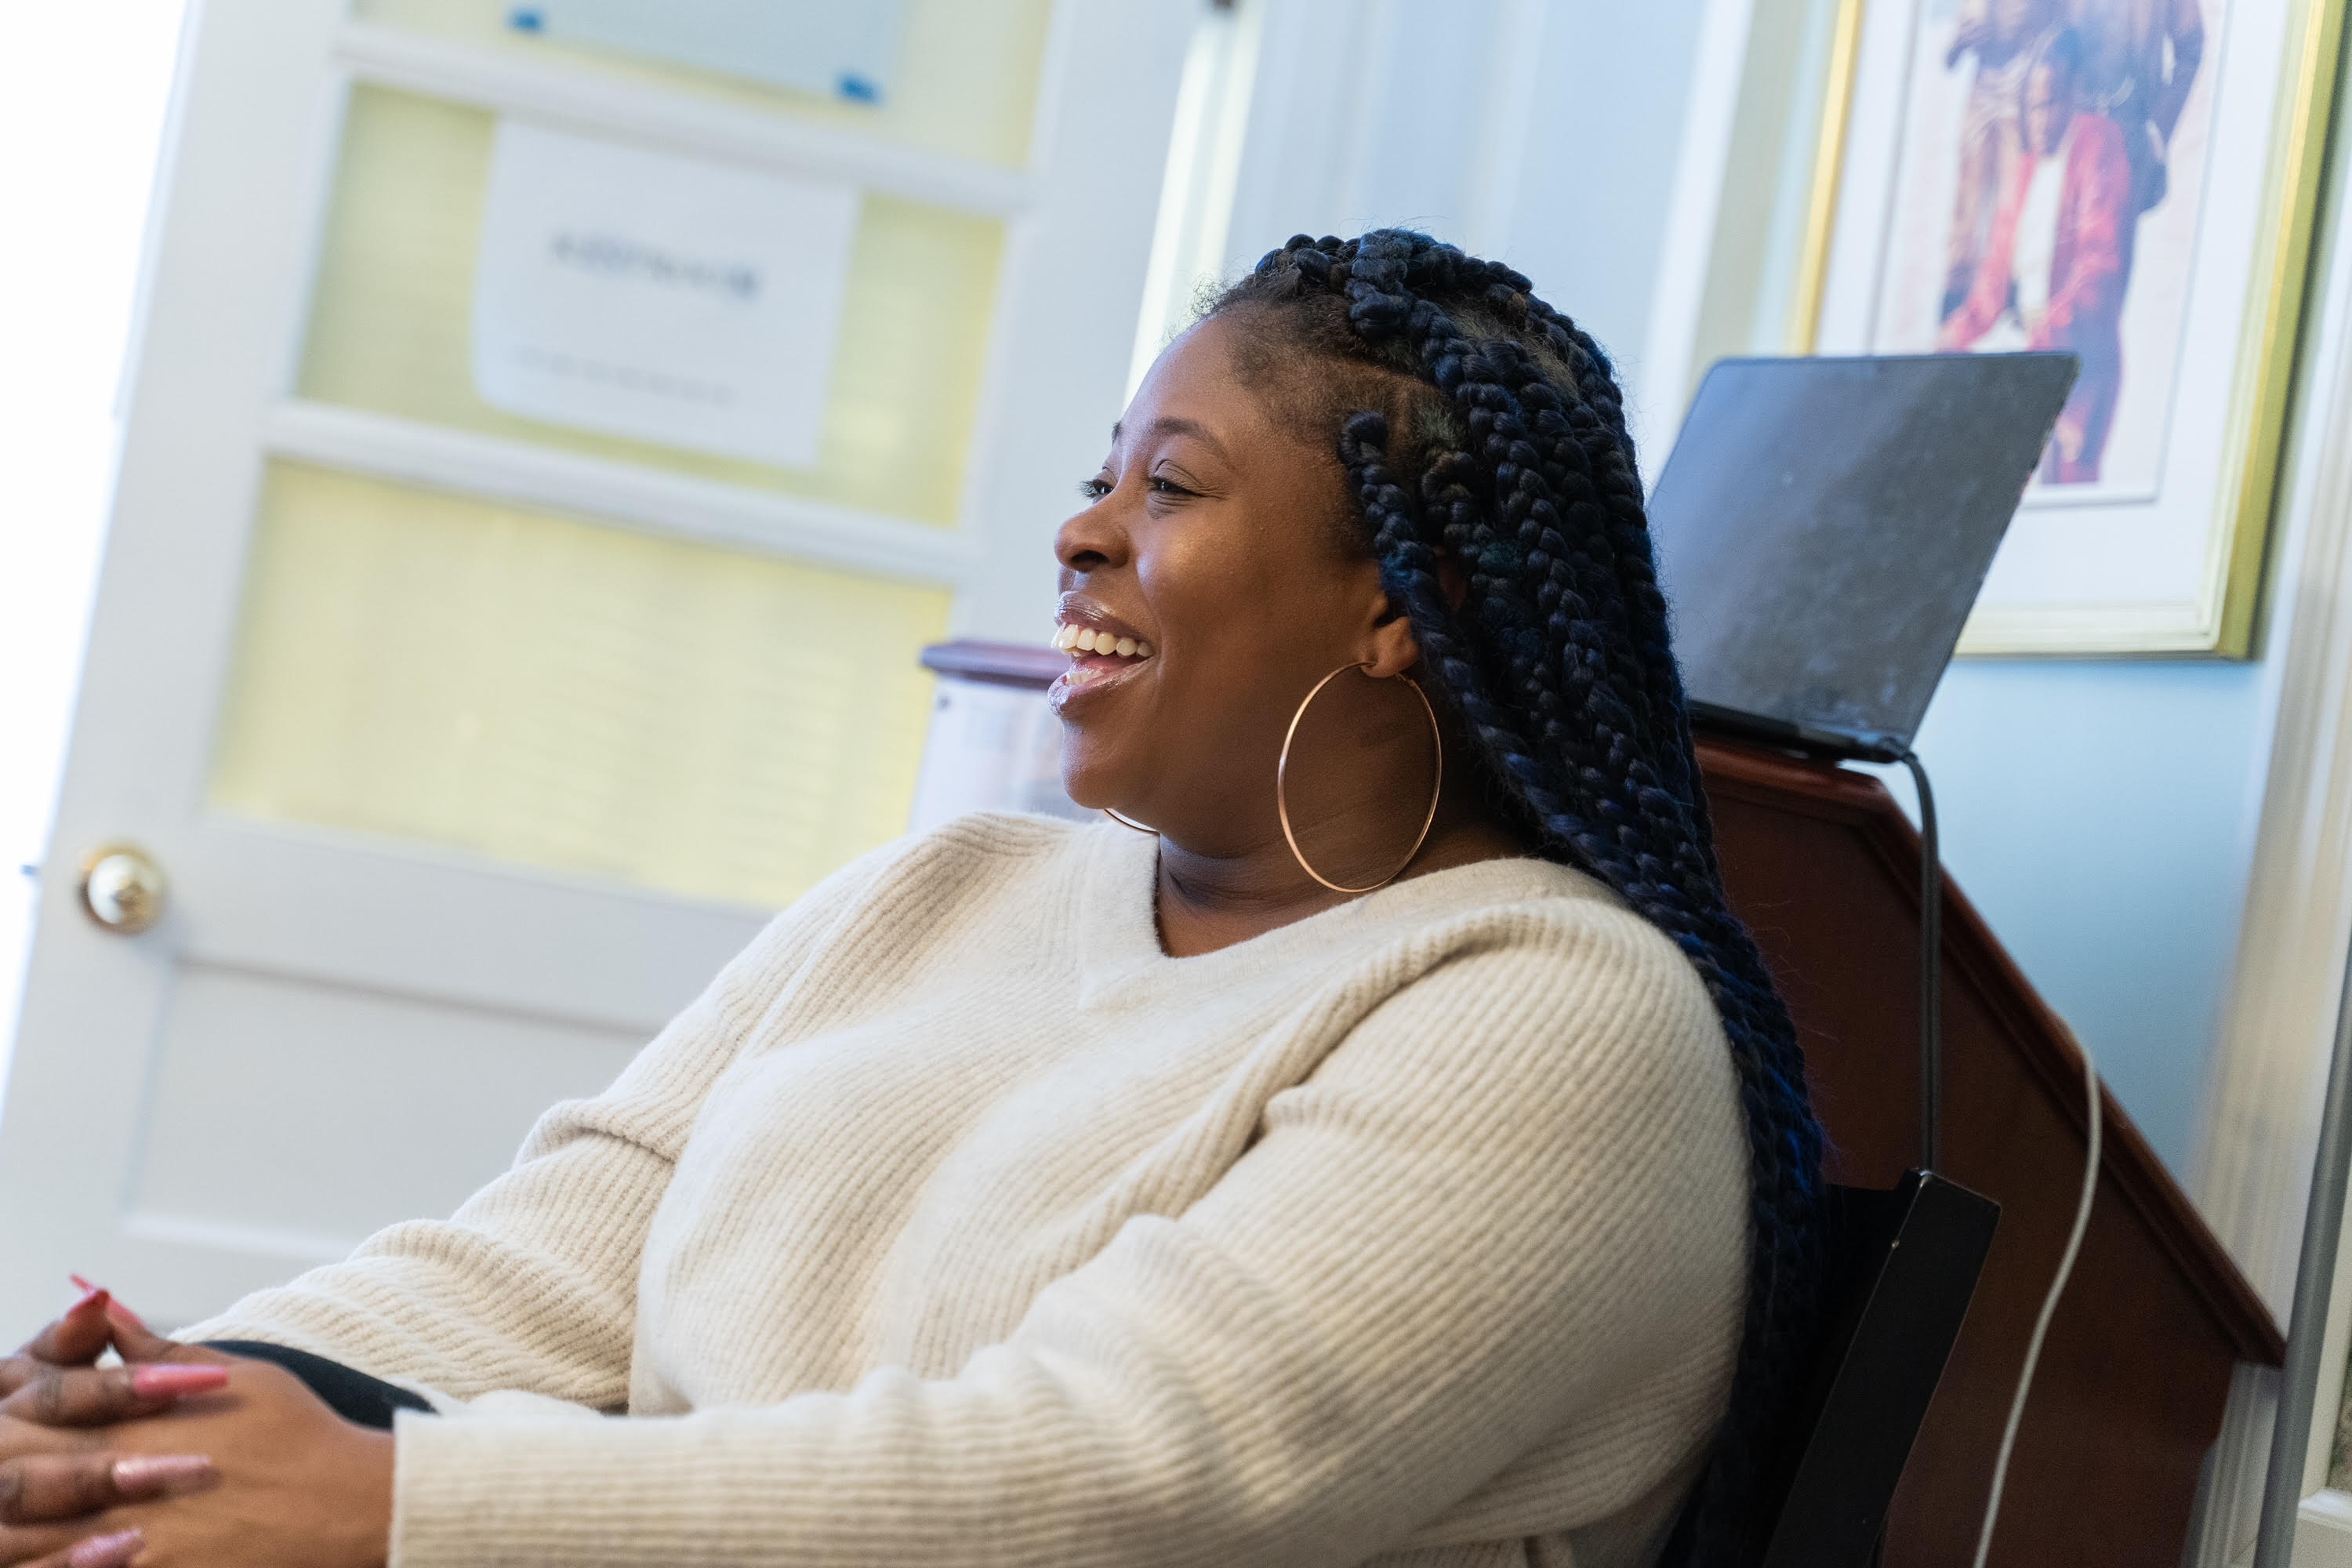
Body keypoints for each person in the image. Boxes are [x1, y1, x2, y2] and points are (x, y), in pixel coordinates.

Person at [0, 233, 1825, 1568]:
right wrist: (147, 1422)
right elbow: (553, 1254)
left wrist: (394, 1504)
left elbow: (1101, 1481)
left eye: (1169, 486)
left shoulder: (1556, 1014)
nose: (1082, 532)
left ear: (1399, 606)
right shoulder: (949, 887)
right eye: (1097, 475)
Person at [1939, 30, 2132, 483]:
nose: (2042, 120)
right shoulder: (2025, 169)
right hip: (2020, 353)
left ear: (2074, 98)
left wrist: (2037, 345)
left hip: (2076, 362)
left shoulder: (2099, 145)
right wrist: (1953, 339)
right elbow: (1992, 284)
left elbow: (2098, 270)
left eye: (2052, 104)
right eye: (2034, 107)